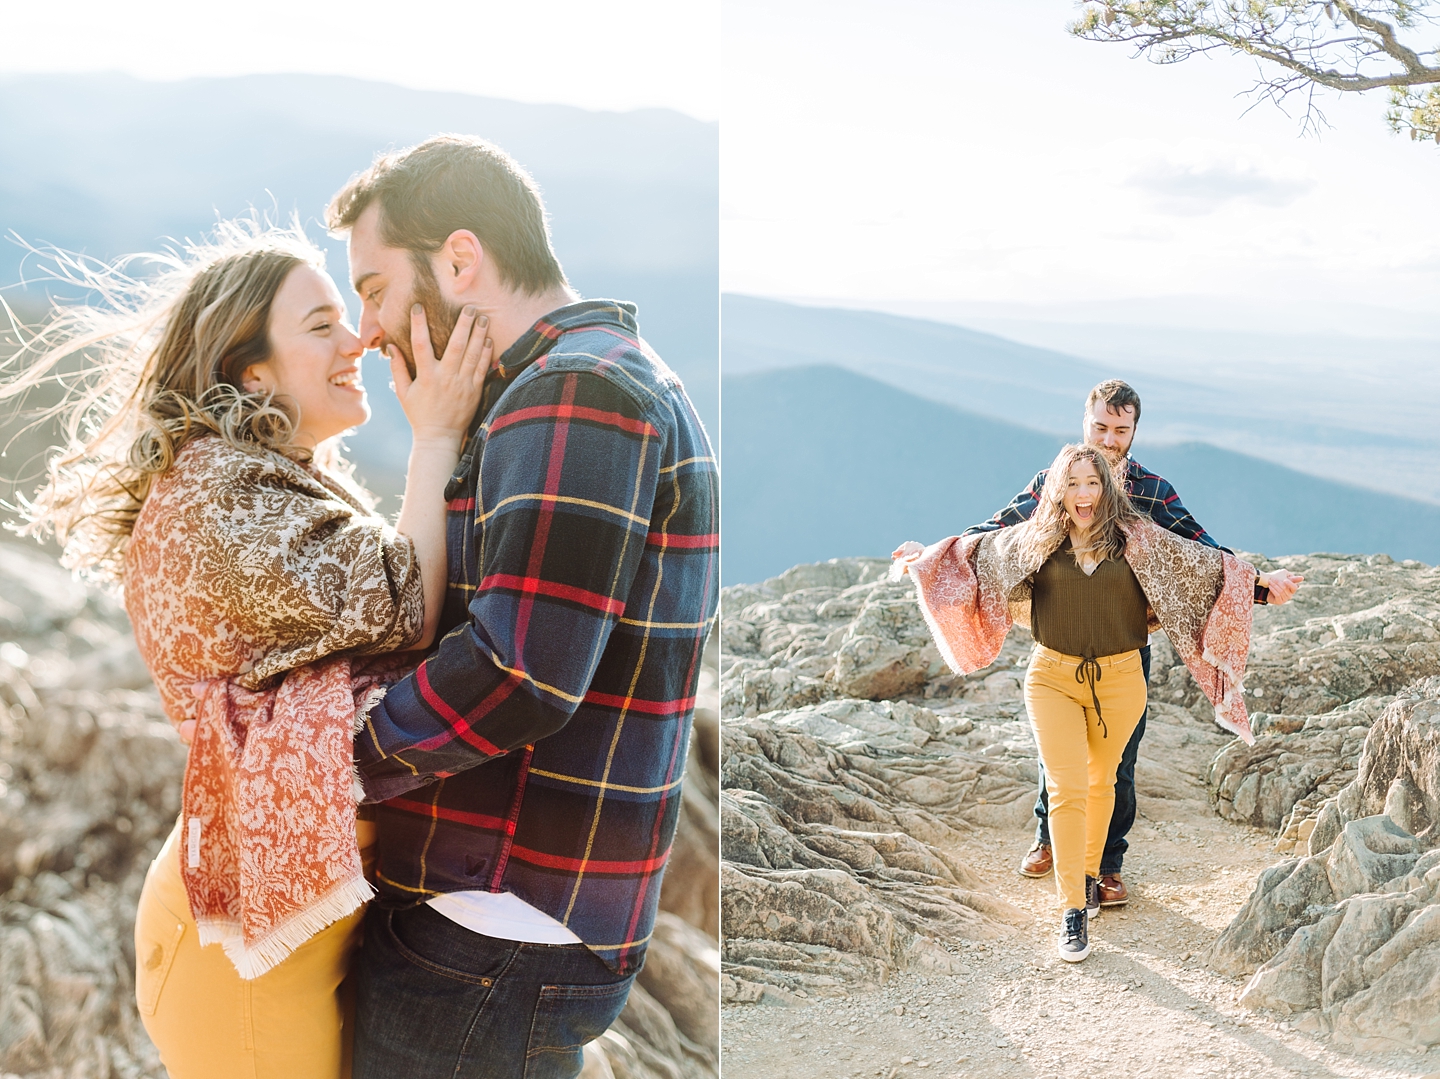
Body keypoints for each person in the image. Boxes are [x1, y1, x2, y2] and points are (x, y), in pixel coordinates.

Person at [4, 220, 491, 1078]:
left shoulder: (255, 477)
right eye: (322, 326)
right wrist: (437, 436)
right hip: (241, 967)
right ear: (250, 368)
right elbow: (408, 604)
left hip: (275, 932)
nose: (360, 338)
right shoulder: (222, 496)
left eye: (352, 314)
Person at [325, 136, 718, 1079]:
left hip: (490, 922)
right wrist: (439, 437)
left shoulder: (573, 393)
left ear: (461, 260)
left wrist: (331, 763)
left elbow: (519, 670)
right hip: (508, 918)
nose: (368, 330)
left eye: (375, 288)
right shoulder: (567, 384)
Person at [894, 442, 1258, 961]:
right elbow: (972, 557)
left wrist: (1262, 587)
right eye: (1072, 484)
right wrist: (924, 558)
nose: (1083, 494)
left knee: (1101, 782)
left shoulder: (1139, 540)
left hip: (1121, 680)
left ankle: (1089, 877)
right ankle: (1071, 909)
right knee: (1066, 787)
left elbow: (1203, 570)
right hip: (1052, 677)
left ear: (1105, 488)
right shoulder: (1034, 541)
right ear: (1057, 490)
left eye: (1092, 483)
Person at [964, 379, 1302, 906]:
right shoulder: (1054, 482)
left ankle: (1110, 864)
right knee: (1060, 756)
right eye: (1100, 426)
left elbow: (1203, 553)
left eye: (1121, 430)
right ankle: (1048, 837)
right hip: (1061, 642)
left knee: (1117, 760)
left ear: (1134, 431)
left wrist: (1258, 582)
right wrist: (939, 554)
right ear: (1085, 422)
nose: (1109, 438)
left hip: (1124, 646)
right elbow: (997, 532)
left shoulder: (1150, 490)